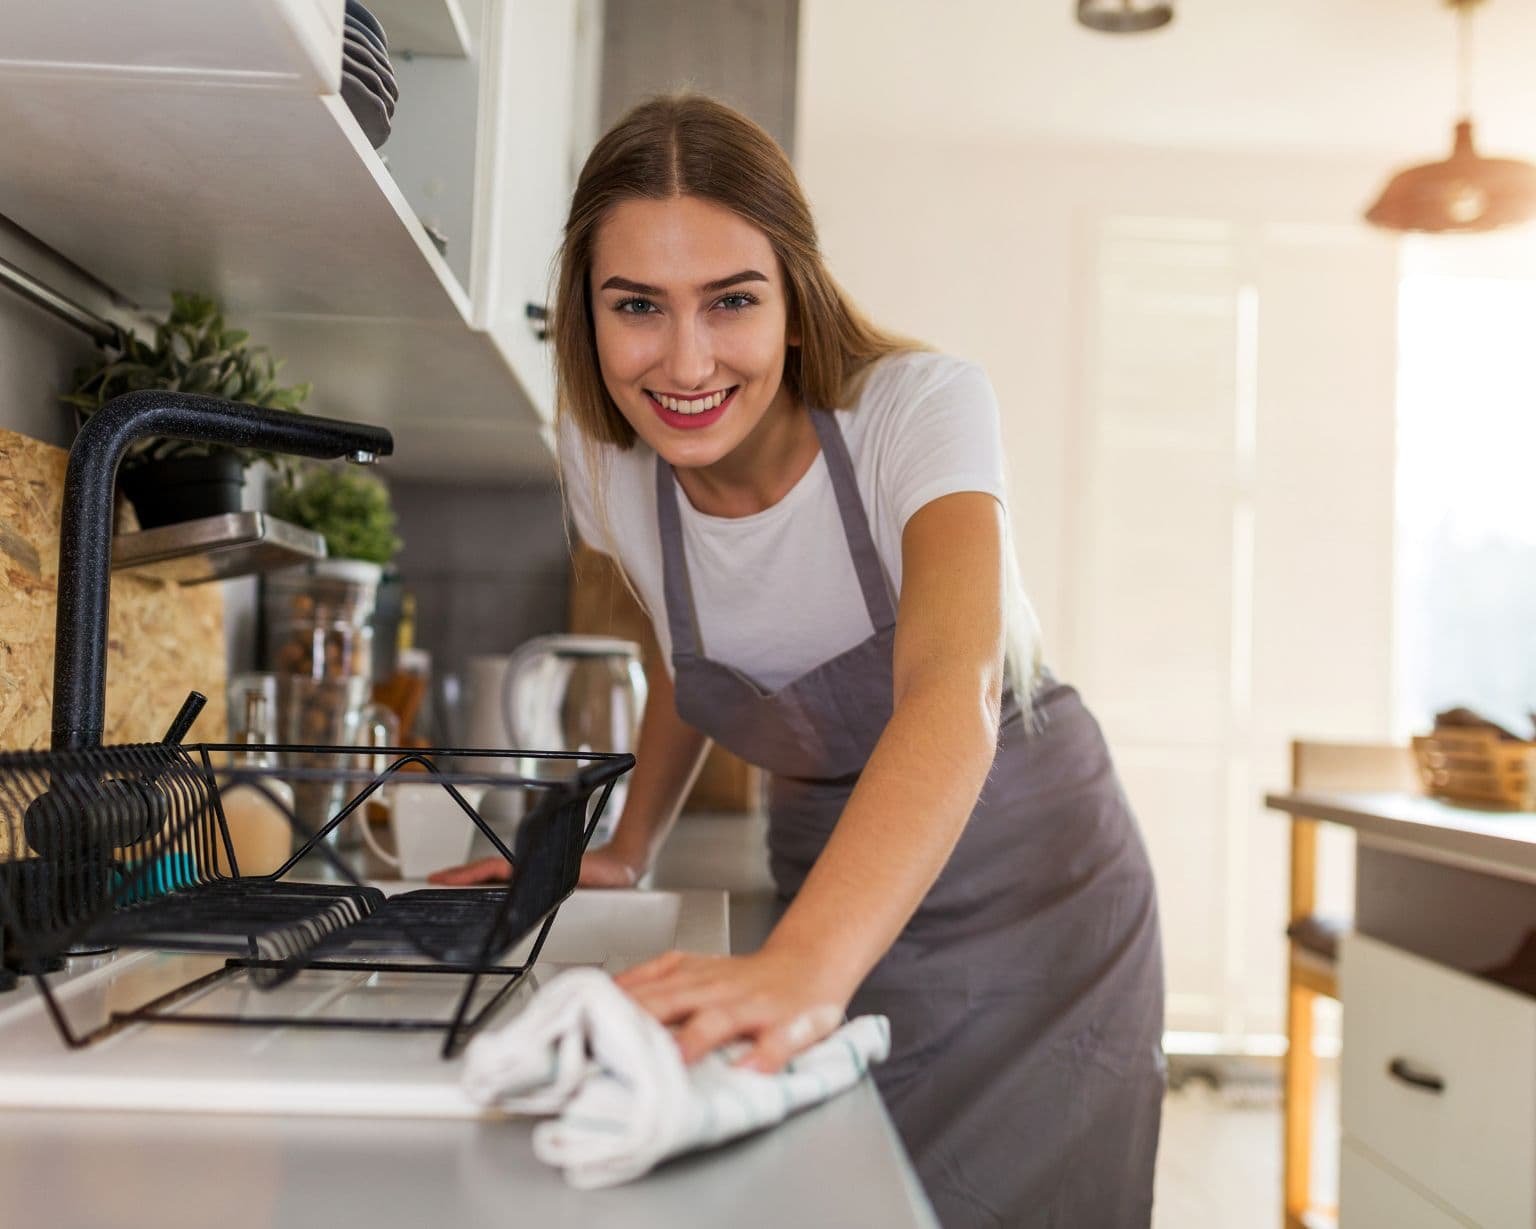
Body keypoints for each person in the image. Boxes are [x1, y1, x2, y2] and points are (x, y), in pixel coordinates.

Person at [431, 93, 1165, 1227]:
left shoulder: (916, 412)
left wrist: (806, 966)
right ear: (586, 310)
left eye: (731, 301)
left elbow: (949, 688)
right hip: (829, 866)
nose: (685, 359)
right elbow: (693, 654)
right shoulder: (604, 461)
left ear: (794, 295)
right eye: (638, 306)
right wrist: (627, 846)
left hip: (1035, 884)